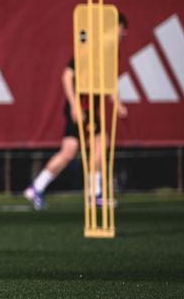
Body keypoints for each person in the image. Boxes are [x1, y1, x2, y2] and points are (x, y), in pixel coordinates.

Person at [24, 13, 128, 210]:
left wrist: (118, 103)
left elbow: (109, 84)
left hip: (89, 107)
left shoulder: (111, 53)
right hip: (83, 107)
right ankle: (94, 193)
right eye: (122, 28)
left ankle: (36, 187)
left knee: (69, 152)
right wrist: (74, 105)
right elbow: (67, 75)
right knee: (100, 141)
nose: (124, 34)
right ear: (114, 27)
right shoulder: (92, 49)